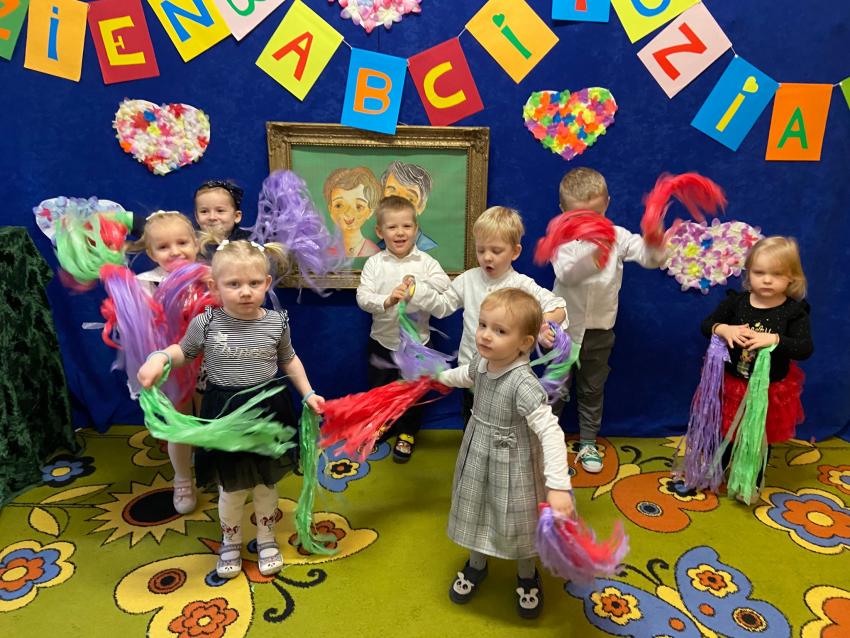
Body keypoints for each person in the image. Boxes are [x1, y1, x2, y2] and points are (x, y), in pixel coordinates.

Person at [137, 239, 325, 579]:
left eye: (254, 283)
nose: (245, 292)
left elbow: (289, 359)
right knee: (232, 488)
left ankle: (266, 538)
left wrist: (308, 392)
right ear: (215, 286)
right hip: (224, 413)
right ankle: (231, 542)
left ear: (267, 283)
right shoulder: (207, 322)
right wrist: (160, 357)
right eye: (234, 284)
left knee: (266, 484)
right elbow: (184, 352)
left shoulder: (276, 322)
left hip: (268, 412)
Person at [437, 288, 573, 619]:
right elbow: (466, 375)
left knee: (518, 517)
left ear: (524, 343)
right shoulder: (483, 362)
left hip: (513, 462)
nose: (485, 335)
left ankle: (527, 574)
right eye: (483, 325)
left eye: (500, 331)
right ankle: (477, 564)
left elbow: (550, 431)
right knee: (477, 507)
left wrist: (558, 485)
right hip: (478, 451)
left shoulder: (523, 383)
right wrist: (436, 378)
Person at [549, 168, 665, 473]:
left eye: (597, 214)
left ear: (608, 204)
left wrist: (655, 239)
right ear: (563, 211)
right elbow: (567, 275)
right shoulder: (560, 240)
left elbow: (651, 258)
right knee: (555, 389)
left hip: (600, 333)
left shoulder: (619, 236)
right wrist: (596, 256)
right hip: (562, 333)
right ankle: (546, 442)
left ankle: (588, 442)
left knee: (592, 390)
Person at [409, 206, 567, 424]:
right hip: (470, 374)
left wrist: (544, 325)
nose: (487, 257)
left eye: (496, 251)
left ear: (515, 252)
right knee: (471, 424)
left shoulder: (522, 285)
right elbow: (442, 306)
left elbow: (558, 306)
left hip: (509, 377)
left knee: (504, 427)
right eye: (481, 250)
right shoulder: (468, 279)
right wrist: (416, 292)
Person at [702, 236, 813, 502]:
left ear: (792, 278)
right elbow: (707, 325)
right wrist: (724, 329)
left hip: (769, 389)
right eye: (759, 273)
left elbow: (804, 348)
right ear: (748, 272)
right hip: (735, 383)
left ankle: (750, 479)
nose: (767, 280)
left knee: (758, 437)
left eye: (776, 274)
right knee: (728, 431)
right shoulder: (737, 302)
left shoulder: (793, 312)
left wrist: (773, 339)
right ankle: (718, 470)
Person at [356, 196, 451, 462]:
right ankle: (381, 426)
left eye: (407, 226)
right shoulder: (374, 263)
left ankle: (407, 432)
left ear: (416, 229)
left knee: (413, 393)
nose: (400, 232)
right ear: (380, 231)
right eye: (392, 227)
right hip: (382, 343)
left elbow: (444, 285)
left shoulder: (426, 262)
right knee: (381, 390)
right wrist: (387, 300)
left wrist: (417, 287)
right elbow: (363, 297)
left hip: (418, 345)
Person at [126, 210, 200, 514]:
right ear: (150, 252)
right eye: (163, 247)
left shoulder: (210, 274)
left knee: (211, 412)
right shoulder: (146, 283)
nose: (175, 252)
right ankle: (183, 478)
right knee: (178, 422)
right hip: (172, 362)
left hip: (211, 359)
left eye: (182, 242)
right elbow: (139, 326)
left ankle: (216, 467)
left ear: (196, 243)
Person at [323, 166, 382, 258]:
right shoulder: (327, 253)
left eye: (359, 206)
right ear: (330, 209)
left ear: (370, 211)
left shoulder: (374, 252)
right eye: (339, 205)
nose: (348, 213)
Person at [379, 160, 438, 251]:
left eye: (409, 199)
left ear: (421, 207)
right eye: (392, 195)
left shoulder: (430, 252)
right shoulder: (377, 250)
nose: (398, 205)